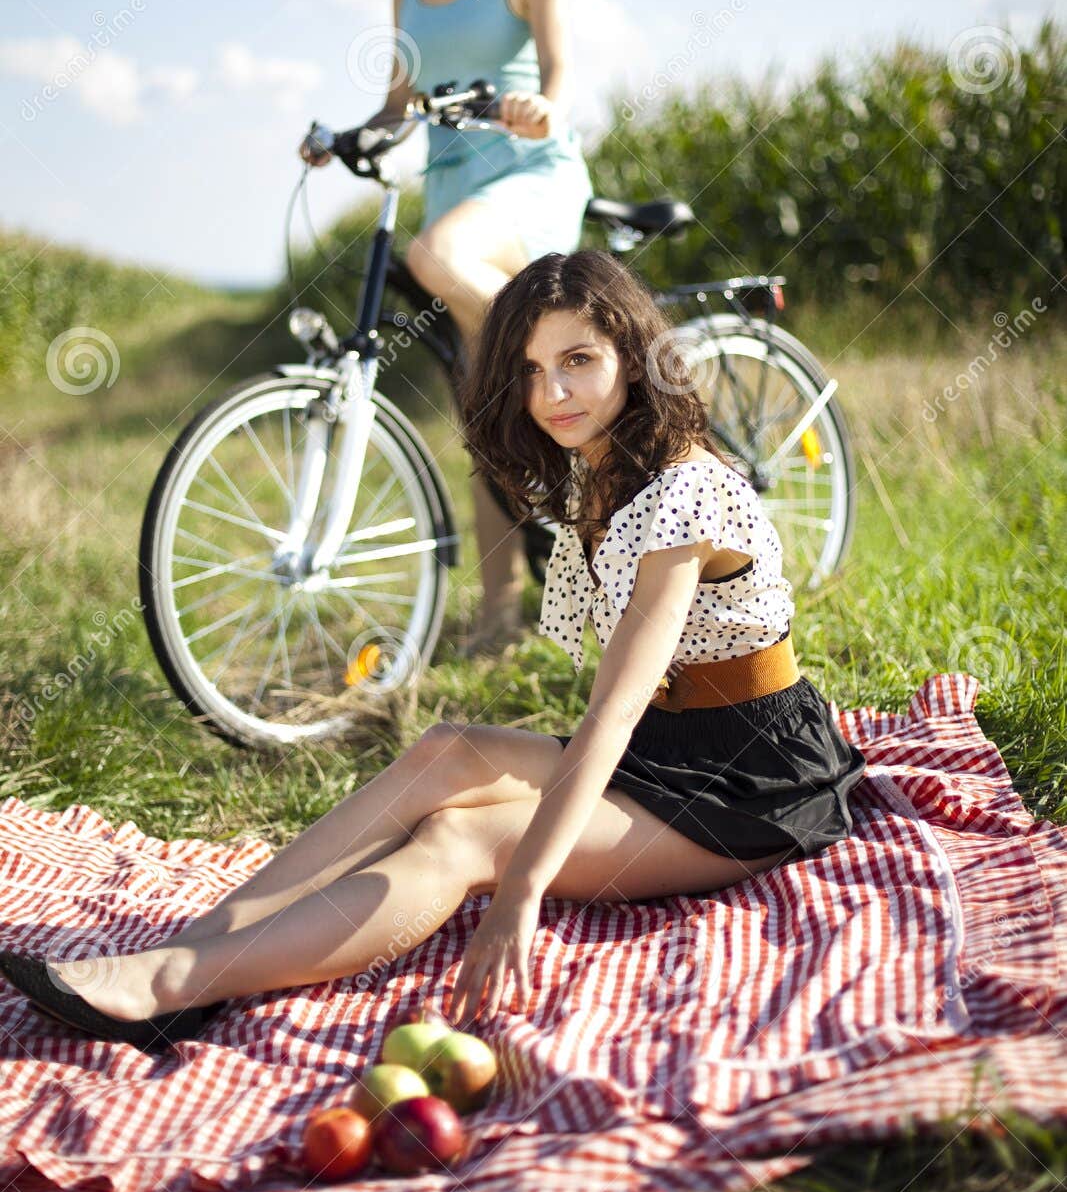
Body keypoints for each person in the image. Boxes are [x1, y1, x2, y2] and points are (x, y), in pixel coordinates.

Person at [0, 251, 866, 1051]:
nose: (553, 391)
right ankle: (198, 946)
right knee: (446, 750)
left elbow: (613, 709)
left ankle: (172, 985)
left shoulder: (684, 492)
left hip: (750, 782)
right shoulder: (605, 468)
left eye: (577, 360)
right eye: (530, 369)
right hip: (666, 749)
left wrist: (520, 892)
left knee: (464, 839)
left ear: (633, 357)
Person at [299, 0, 593, 657]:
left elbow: (559, 69)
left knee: (436, 259)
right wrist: (342, 139)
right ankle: (499, 616)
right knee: (482, 416)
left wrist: (543, 106)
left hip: (528, 175)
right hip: (453, 185)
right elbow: (401, 104)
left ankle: (564, 370)